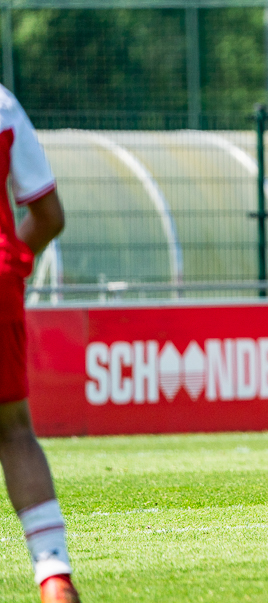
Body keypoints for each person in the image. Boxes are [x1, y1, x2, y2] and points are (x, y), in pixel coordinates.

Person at [0, 85, 81, 601]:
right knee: (12, 429)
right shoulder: (3, 104)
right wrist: (12, 268)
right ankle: (54, 578)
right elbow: (49, 216)